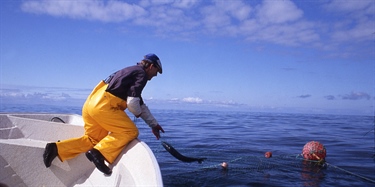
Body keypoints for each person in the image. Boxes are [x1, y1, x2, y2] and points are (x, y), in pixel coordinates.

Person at [43, 53, 165, 175]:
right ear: (151, 66)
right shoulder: (141, 73)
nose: (155, 75)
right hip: (104, 106)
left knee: (93, 140)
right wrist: (137, 113)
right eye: (157, 71)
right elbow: (133, 103)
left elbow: (140, 103)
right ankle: (99, 153)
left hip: (90, 104)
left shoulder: (128, 72)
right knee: (130, 131)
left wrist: (154, 125)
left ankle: (57, 148)